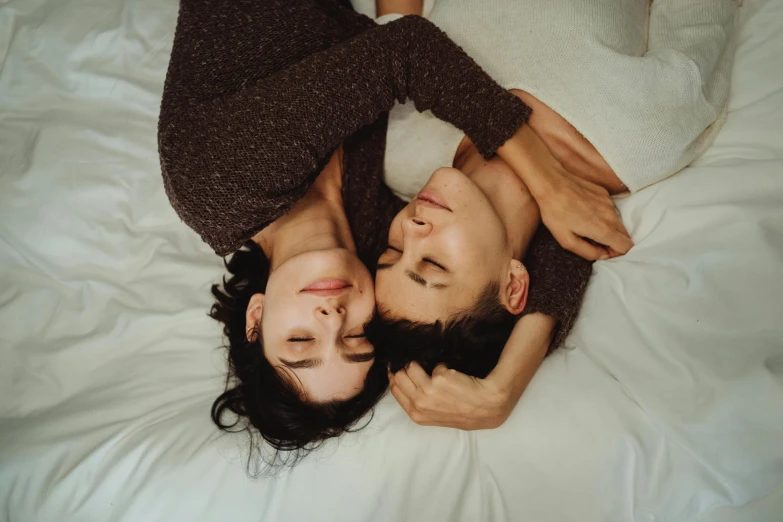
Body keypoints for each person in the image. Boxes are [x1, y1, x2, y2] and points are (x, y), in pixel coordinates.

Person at [159, 0, 598, 464]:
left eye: (301, 340)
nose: (332, 318)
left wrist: (552, 182)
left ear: (256, 318)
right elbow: (550, 240)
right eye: (355, 339)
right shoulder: (374, 237)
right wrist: (505, 384)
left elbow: (407, 50)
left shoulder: (222, 186)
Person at [364, 0, 741, 426]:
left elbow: (398, 32)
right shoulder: (649, 134)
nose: (412, 228)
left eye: (393, 250)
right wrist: (502, 385)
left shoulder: (397, 148)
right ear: (514, 283)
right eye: (432, 262)